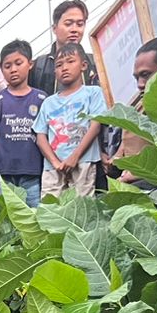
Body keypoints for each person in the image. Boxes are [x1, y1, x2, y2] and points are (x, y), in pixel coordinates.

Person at [33, 43, 105, 199]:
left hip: (84, 161)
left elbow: (95, 126)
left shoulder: (93, 93)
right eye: (59, 65)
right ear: (55, 71)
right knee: (50, 211)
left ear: (83, 65)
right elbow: (40, 136)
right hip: (52, 167)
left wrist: (74, 157)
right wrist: (55, 162)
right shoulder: (48, 102)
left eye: (71, 62)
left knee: (82, 208)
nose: (64, 68)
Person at [0, 39, 46, 206]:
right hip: (4, 176)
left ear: (30, 64)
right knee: (6, 224)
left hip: (33, 174)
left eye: (18, 63)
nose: (13, 69)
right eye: (7, 65)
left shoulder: (41, 99)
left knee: (35, 221)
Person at [113, 37, 157, 186]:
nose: (140, 84)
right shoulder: (141, 107)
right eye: (136, 78)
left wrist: (139, 171)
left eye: (145, 75)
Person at [30, 0, 99, 92]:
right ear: (54, 28)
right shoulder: (38, 67)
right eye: (68, 24)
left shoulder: (95, 63)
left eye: (79, 24)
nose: (74, 29)